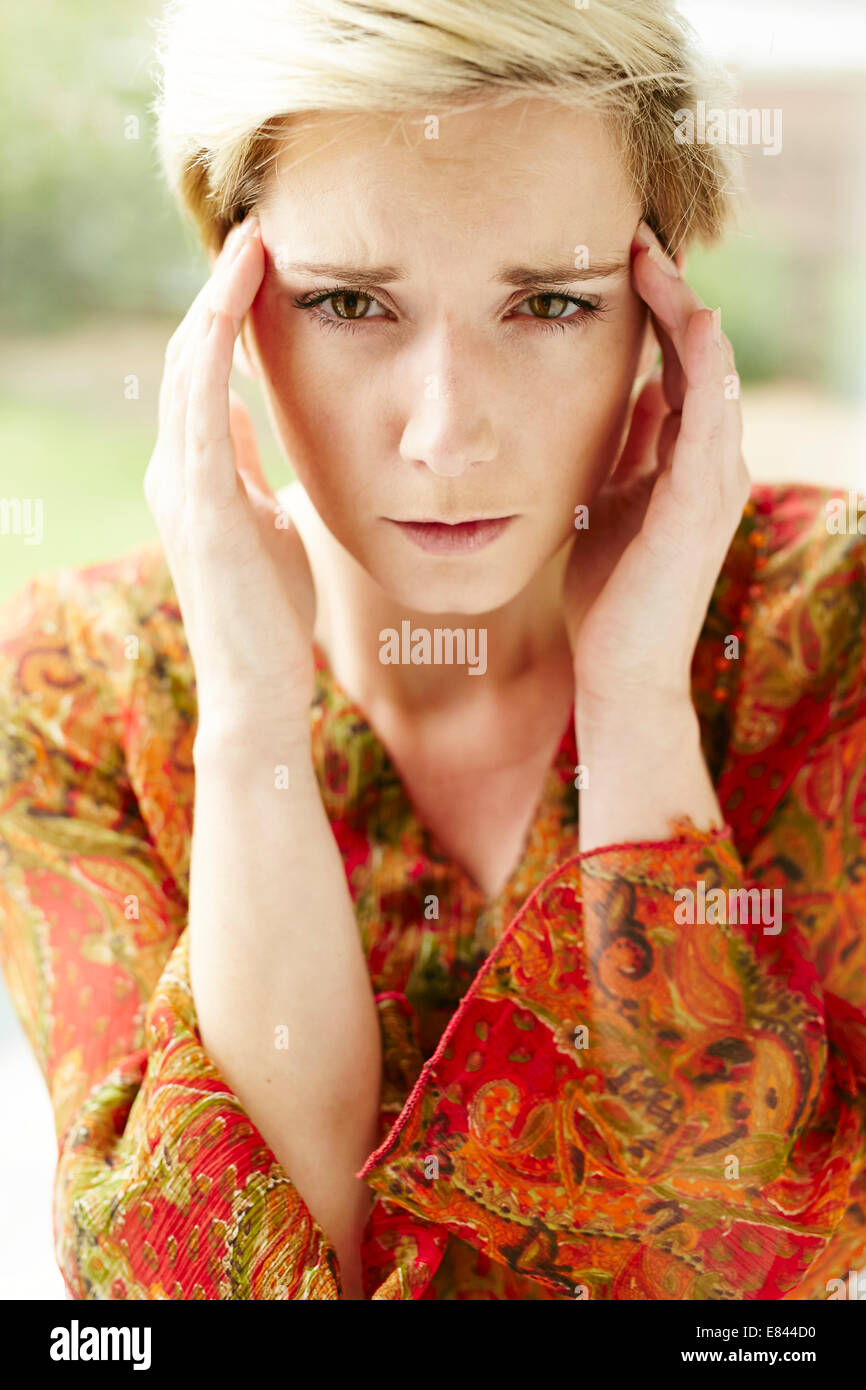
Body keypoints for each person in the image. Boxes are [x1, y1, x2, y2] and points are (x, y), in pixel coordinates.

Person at [1, 0, 864, 1302]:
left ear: (658, 309)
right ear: (226, 313)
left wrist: (634, 700)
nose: (445, 437)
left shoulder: (829, 630)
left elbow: (731, 1274)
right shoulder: (73, 690)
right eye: (350, 301)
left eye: (549, 304)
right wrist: (247, 723)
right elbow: (197, 1294)